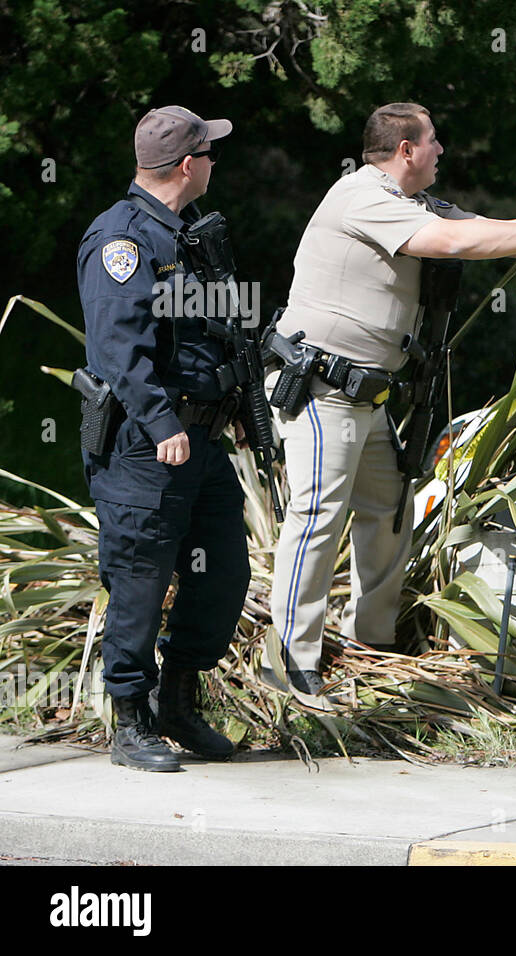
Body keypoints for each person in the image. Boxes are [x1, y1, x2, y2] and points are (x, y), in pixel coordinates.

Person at [267, 102, 516, 694]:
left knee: (389, 514)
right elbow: (449, 241)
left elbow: (474, 229)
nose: (441, 150)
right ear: (405, 151)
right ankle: (289, 663)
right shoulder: (360, 196)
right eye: (433, 141)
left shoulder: (411, 204)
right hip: (324, 392)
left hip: (366, 400)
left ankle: (368, 640)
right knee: (317, 517)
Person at [77, 105, 249, 771]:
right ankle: (130, 720)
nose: (213, 164)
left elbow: (202, 339)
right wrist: (159, 420)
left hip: (199, 441)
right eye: (209, 154)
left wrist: (231, 402)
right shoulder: (123, 241)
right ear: (186, 165)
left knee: (223, 574)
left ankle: (178, 700)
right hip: (147, 447)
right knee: (138, 582)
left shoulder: (187, 235)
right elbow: (118, 348)